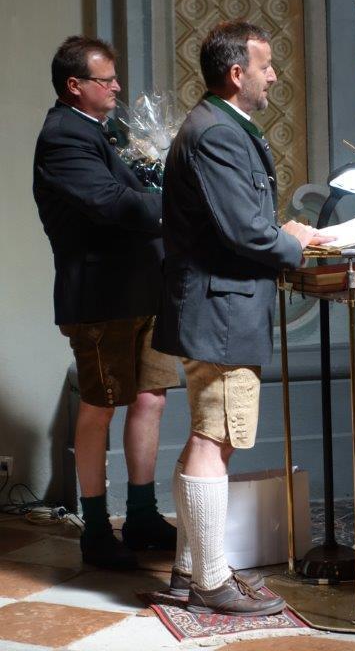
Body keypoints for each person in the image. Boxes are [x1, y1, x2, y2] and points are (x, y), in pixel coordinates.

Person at [153, 20, 332, 615]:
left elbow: (235, 223)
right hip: (222, 309)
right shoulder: (217, 133)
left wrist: (280, 234)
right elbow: (244, 232)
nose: (273, 76)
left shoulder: (216, 125)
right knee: (215, 437)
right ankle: (210, 582)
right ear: (237, 73)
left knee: (209, 435)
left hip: (217, 306)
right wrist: (294, 242)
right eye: (265, 65)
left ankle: (188, 572)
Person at [33, 36, 180, 570]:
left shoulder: (104, 130)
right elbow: (111, 203)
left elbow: (131, 191)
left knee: (152, 399)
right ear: (75, 85)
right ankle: (96, 531)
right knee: (101, 406)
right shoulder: (62, 137)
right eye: (106, 78)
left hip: (145, 289)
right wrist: (178, 204)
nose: (117, 86)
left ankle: (141, 516)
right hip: (102, 297)